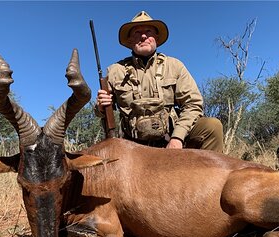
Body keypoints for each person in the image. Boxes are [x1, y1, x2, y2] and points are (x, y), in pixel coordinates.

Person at [95, 11, 223, 152]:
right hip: (132, 146)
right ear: (130, 41)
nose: (143, 36)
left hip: (170, 140)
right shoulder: (114, 71)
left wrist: (177, 138)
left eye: (148, 31)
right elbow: (102, 114)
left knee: (212, 126)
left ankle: (211, 173)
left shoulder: (174, 65)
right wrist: (101, 107)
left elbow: (193, 105)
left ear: (156, 38)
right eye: (137, 32)